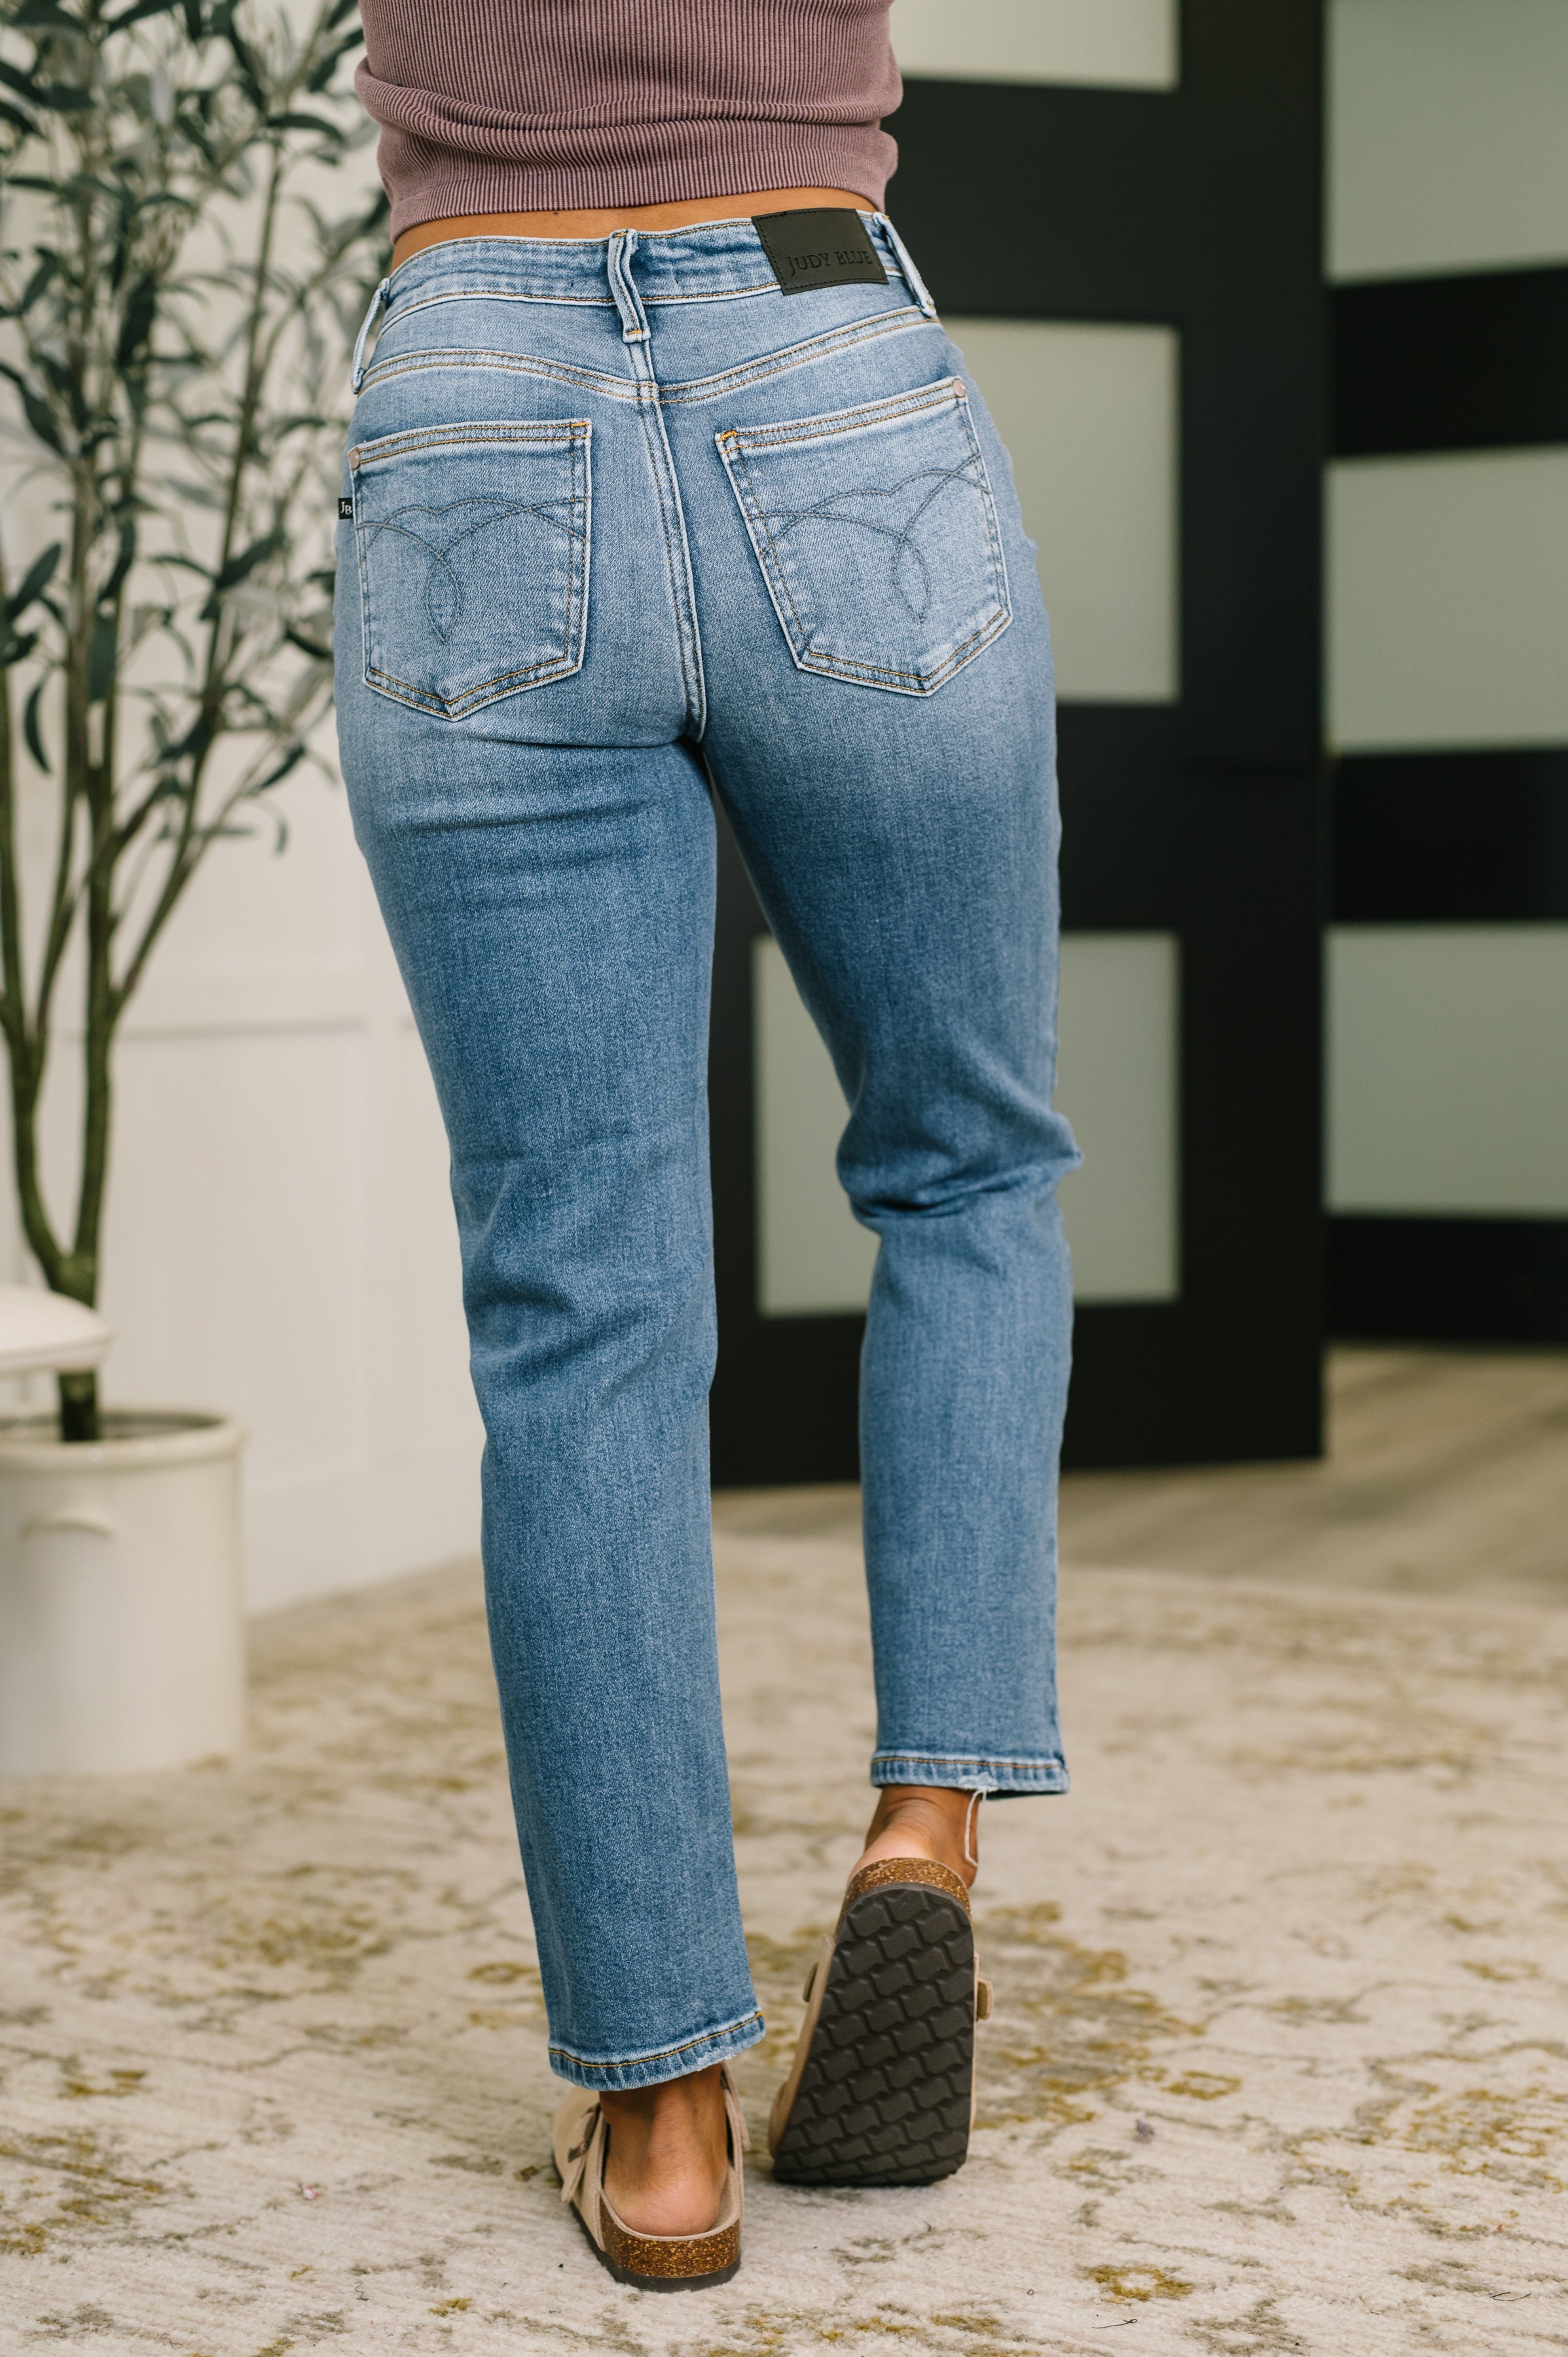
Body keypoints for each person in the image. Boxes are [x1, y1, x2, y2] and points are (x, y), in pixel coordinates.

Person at [338, 0, 1076, 2292]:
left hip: (468, 380)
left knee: (578, 1304)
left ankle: (656, 2124)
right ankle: (921, 1834)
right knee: (965, 1166)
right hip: (819, 343)